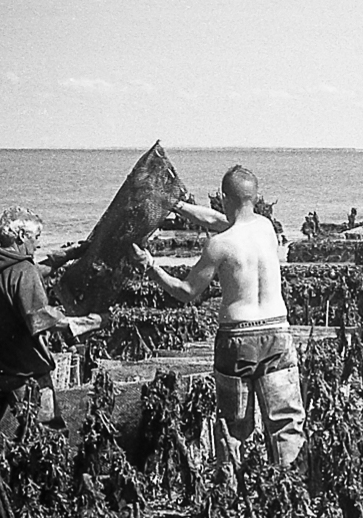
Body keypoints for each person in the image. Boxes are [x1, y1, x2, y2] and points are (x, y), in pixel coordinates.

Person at [130, 164, 305, 471]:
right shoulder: (267, 228)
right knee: (286, 422)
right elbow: (219, 220)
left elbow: (186, 291)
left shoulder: (219, 245)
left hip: (238, 338)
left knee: (234, 426)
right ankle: (289, 486)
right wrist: (177, 206)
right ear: (256, 197)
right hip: (278, 332)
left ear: (224, 198)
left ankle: (234, 492)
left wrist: (151, 266)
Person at [0, 207, 100, 479]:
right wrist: (85, 322)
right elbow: (40, 318)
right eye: (36, 236)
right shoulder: (22, 270)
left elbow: (27, 274)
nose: (37, 242)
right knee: (49, 436)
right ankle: (48, 501)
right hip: (23, 374)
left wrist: (66, 255)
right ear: (20, 237)